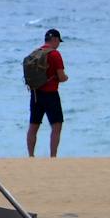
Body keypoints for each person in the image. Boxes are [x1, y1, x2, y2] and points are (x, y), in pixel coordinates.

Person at [25, 29, 67, 157]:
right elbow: (61, 76)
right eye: (58, 41)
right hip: (51, 95)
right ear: (54, 39)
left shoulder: (36, 53)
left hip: (36, 94)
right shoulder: (55, 54)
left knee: (33, 126)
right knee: (56, 125)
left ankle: (31, 155)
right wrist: (65, 78)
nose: (58, 44)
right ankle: (53, 156)